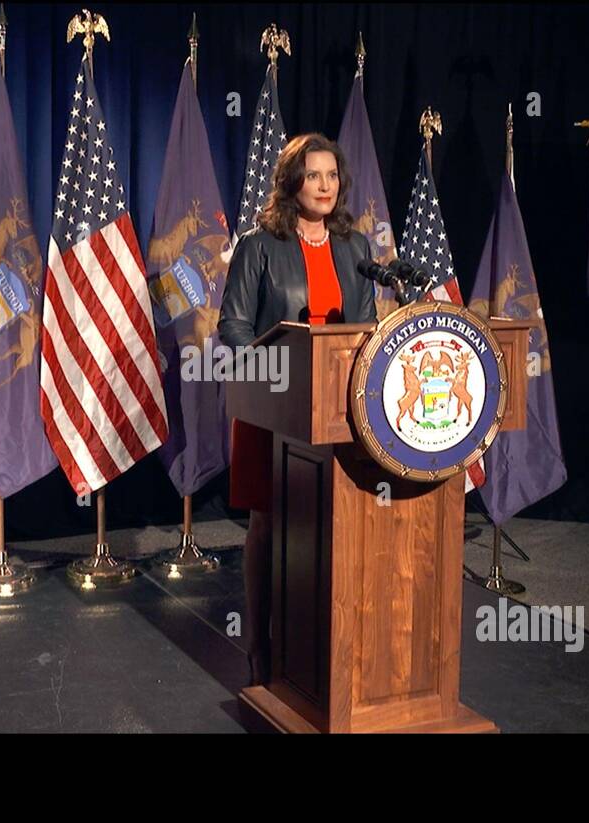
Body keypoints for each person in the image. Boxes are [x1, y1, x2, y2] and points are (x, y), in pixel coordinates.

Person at [218, 133, 377, 685]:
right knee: (268, 521)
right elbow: (233, 327)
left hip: (338, 409)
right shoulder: (259, 246)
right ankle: (259, 645)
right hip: (275, 409)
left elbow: (366, 329)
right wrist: (272, 379)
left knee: (330, 522)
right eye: (314, 176)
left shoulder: (356, 248)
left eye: (332, 175)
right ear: (292, 183)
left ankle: (322, 641)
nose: (326, 186)